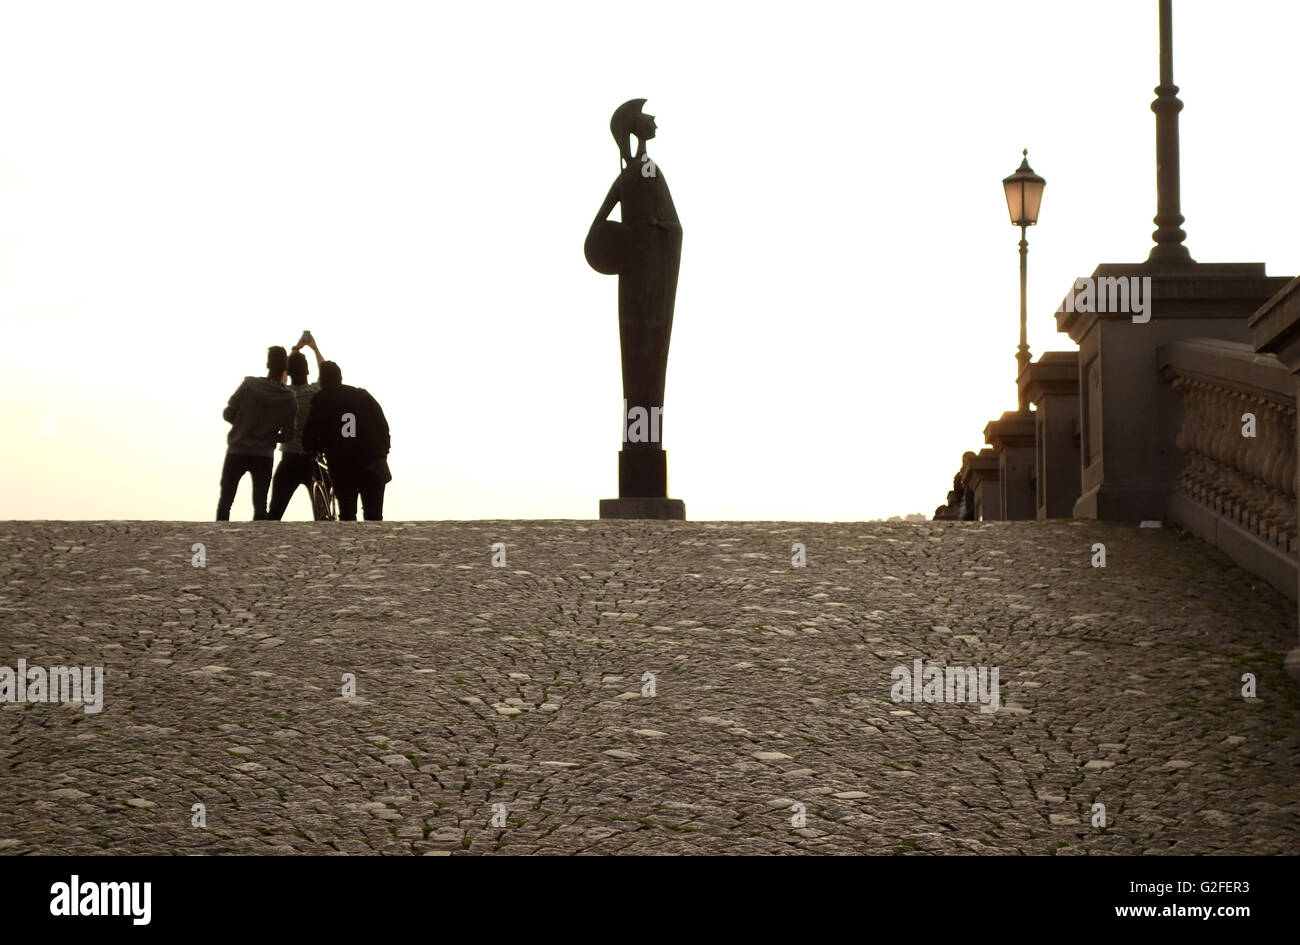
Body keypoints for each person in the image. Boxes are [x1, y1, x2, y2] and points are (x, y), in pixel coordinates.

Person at [302, 360, 390, 521]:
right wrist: (383, 451)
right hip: (372, 459)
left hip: (342, 462)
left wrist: (311, 447)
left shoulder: (321, 399)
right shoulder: (363, 395)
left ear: (322, 381)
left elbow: (310, 432)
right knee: (375, 515)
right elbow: (382, 425)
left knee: (347, 513)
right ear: (340, 378)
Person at [217, 346, 297, 520]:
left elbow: (228, 413)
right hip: (264, 454)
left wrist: (243, 424)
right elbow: (288, 435)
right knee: (260, 503)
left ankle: (219, 537)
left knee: (226, 501)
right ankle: (261, 543)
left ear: (268, 363)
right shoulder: (289, 399)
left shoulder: (248, 386)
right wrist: (270, 435)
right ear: (285, 368)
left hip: (237, 449)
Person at [268, 332, 326, 520]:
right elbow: (326, 371)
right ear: (308, 372)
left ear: (288, 372)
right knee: (322, 515)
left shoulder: (283, 393)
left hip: (289, 459)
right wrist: (314, 348)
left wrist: (296, 348)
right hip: (313, 461)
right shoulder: (315, 393)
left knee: (274, 513)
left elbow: (278, 374)